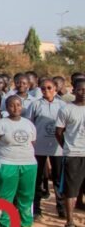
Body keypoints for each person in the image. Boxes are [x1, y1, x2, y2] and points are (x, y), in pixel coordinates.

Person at [0, 94, 37, 227]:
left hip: (28, 164)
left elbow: (32, 143)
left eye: (18, 105)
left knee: (26, 195)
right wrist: (2, 157)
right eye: (11, 105)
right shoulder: (0, 124)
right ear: (6, 107)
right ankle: (5, 226)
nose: (15, 108)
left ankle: (25, 224)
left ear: (22, 106)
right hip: (7, 164)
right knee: (6, 196)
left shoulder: (29, 124)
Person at [27, 79, 66, 219]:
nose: (46, 91)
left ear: (55, 88)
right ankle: (36, 208)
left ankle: (61, 207)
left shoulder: (62, 105)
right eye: (43, 88)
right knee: (37, 179)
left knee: (58, 179)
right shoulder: (35, 104)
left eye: (49, 88)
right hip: (38, 148)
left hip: (57, 148)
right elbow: (29, 124)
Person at [55, 79, 85, 227]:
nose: (83, 93)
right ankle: (70, 221)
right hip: (73, 154)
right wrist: (67, 147)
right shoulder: (66, 109)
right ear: (73, 91)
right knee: (71, 190)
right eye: (80, 90)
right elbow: (58, 132)